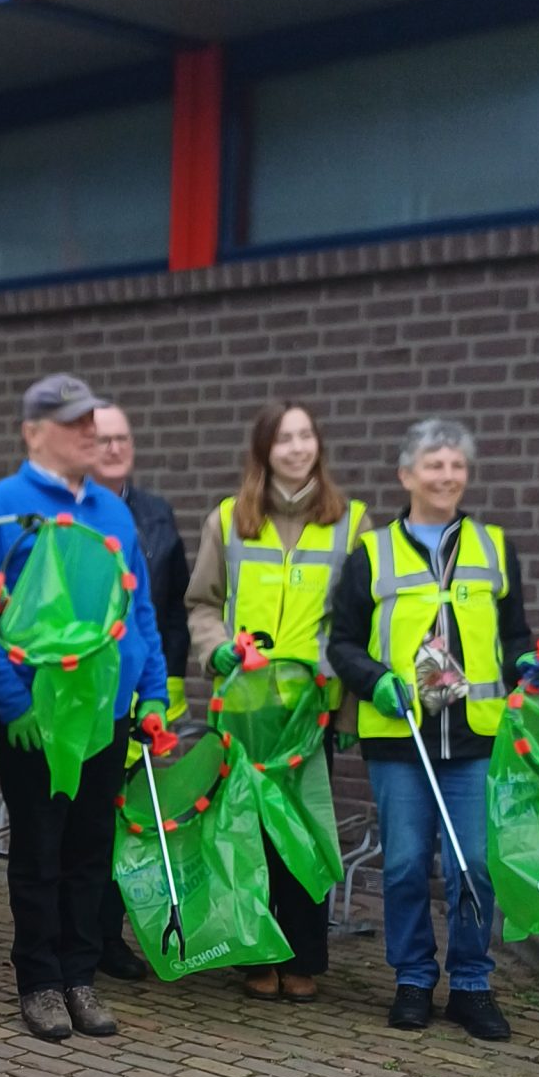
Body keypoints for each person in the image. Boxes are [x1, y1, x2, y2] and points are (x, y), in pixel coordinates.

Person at [0, 375, 168, 1043]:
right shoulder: (0, 507)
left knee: (89, 851)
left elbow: (140, 612)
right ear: (33, 431)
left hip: (105, 713)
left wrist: (154, 690)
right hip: (37, 718)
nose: (91, 435)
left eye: (93, 423)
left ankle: (81, 976)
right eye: (75, 424)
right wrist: (13, 702)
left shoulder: (114, 512)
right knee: (40, 851)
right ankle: (39, 983)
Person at [329, 416, 536, 1043]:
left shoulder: (494, 546)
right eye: (434, 464)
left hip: (473, 737)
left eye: (457, 466)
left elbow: (515, 634)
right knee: (407, 864)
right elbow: (341, 644)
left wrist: (525, 661)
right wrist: (374, 681)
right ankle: (413, 980)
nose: (447, 476)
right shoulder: (371, 552)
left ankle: (471, 984)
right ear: (406, 474)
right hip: (401, 736)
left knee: (474, 863)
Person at [187, 400, 368, 1005]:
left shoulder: (353, 524)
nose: (296, 448)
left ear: (319, 445)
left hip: (309, 711)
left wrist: (345, 712)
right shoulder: (228, 519)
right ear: (264, 450)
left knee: (306, 831)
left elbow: (358, 624)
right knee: (249, 832)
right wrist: (216, 651)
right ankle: (256, 956)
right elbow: (203, 603)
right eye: (283, 439)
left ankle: (302, 958)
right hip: (243, 707)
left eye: (306, 436)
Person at [92, 398, 190, 982]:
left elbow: (170, 608)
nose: (114, 448)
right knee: (81, 822)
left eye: (122, 437)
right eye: (102, 438)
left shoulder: (154, 513)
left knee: (128, 818)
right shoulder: (67, 513)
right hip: (85, 697)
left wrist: (168, 680)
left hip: (146, 691)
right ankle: (60, 936)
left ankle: (108, 935)